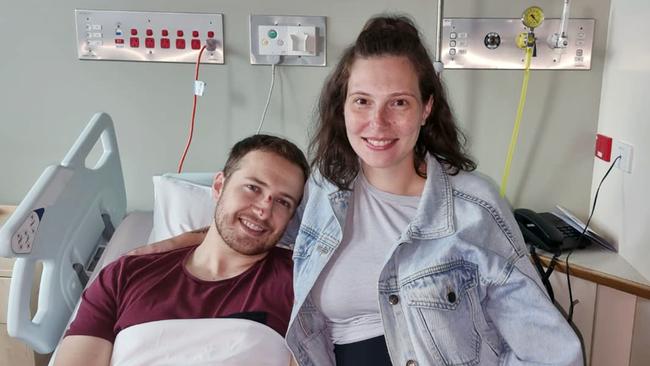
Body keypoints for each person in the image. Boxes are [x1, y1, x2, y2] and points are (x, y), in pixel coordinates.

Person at [139, 15, 583, 366]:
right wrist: (174, 244)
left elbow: (551, 350)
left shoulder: (472, 208)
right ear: (344, 106)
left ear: (427, 108)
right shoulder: (323, 194)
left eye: (399, 103)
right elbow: (257, 228)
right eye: (363, 101)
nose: (378, 123)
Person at [53, 135, 309, 366]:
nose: (264, 210)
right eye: (253, 187)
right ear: (219, 186)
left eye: (283, 202)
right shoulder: (124, 275)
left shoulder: (301, 284)